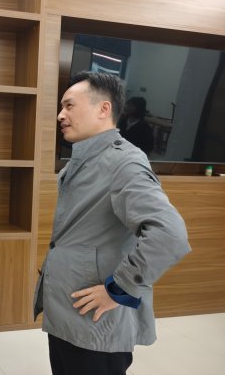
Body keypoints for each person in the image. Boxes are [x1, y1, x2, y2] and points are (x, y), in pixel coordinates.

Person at [34, 71, 191, 375]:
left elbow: (169, 234)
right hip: (69, 314)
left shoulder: (123, 162)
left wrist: (118, 289)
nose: (60, 115)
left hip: (95, 326)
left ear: (103, 109)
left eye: (69, 105)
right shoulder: (85, 159)